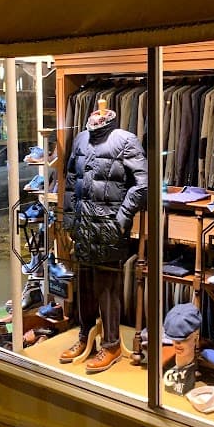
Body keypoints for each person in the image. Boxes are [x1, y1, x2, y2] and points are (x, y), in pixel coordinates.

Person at [60, 99, 147, 373]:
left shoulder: (125, 140)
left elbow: (142, 185)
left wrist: (120, 220)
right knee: (84, 281)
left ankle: (111, 344)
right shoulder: (81, 139)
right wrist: (70, 221)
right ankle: (86, 336)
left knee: (108, 286)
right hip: (84, 225)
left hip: (108, 226)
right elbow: (72, 183)